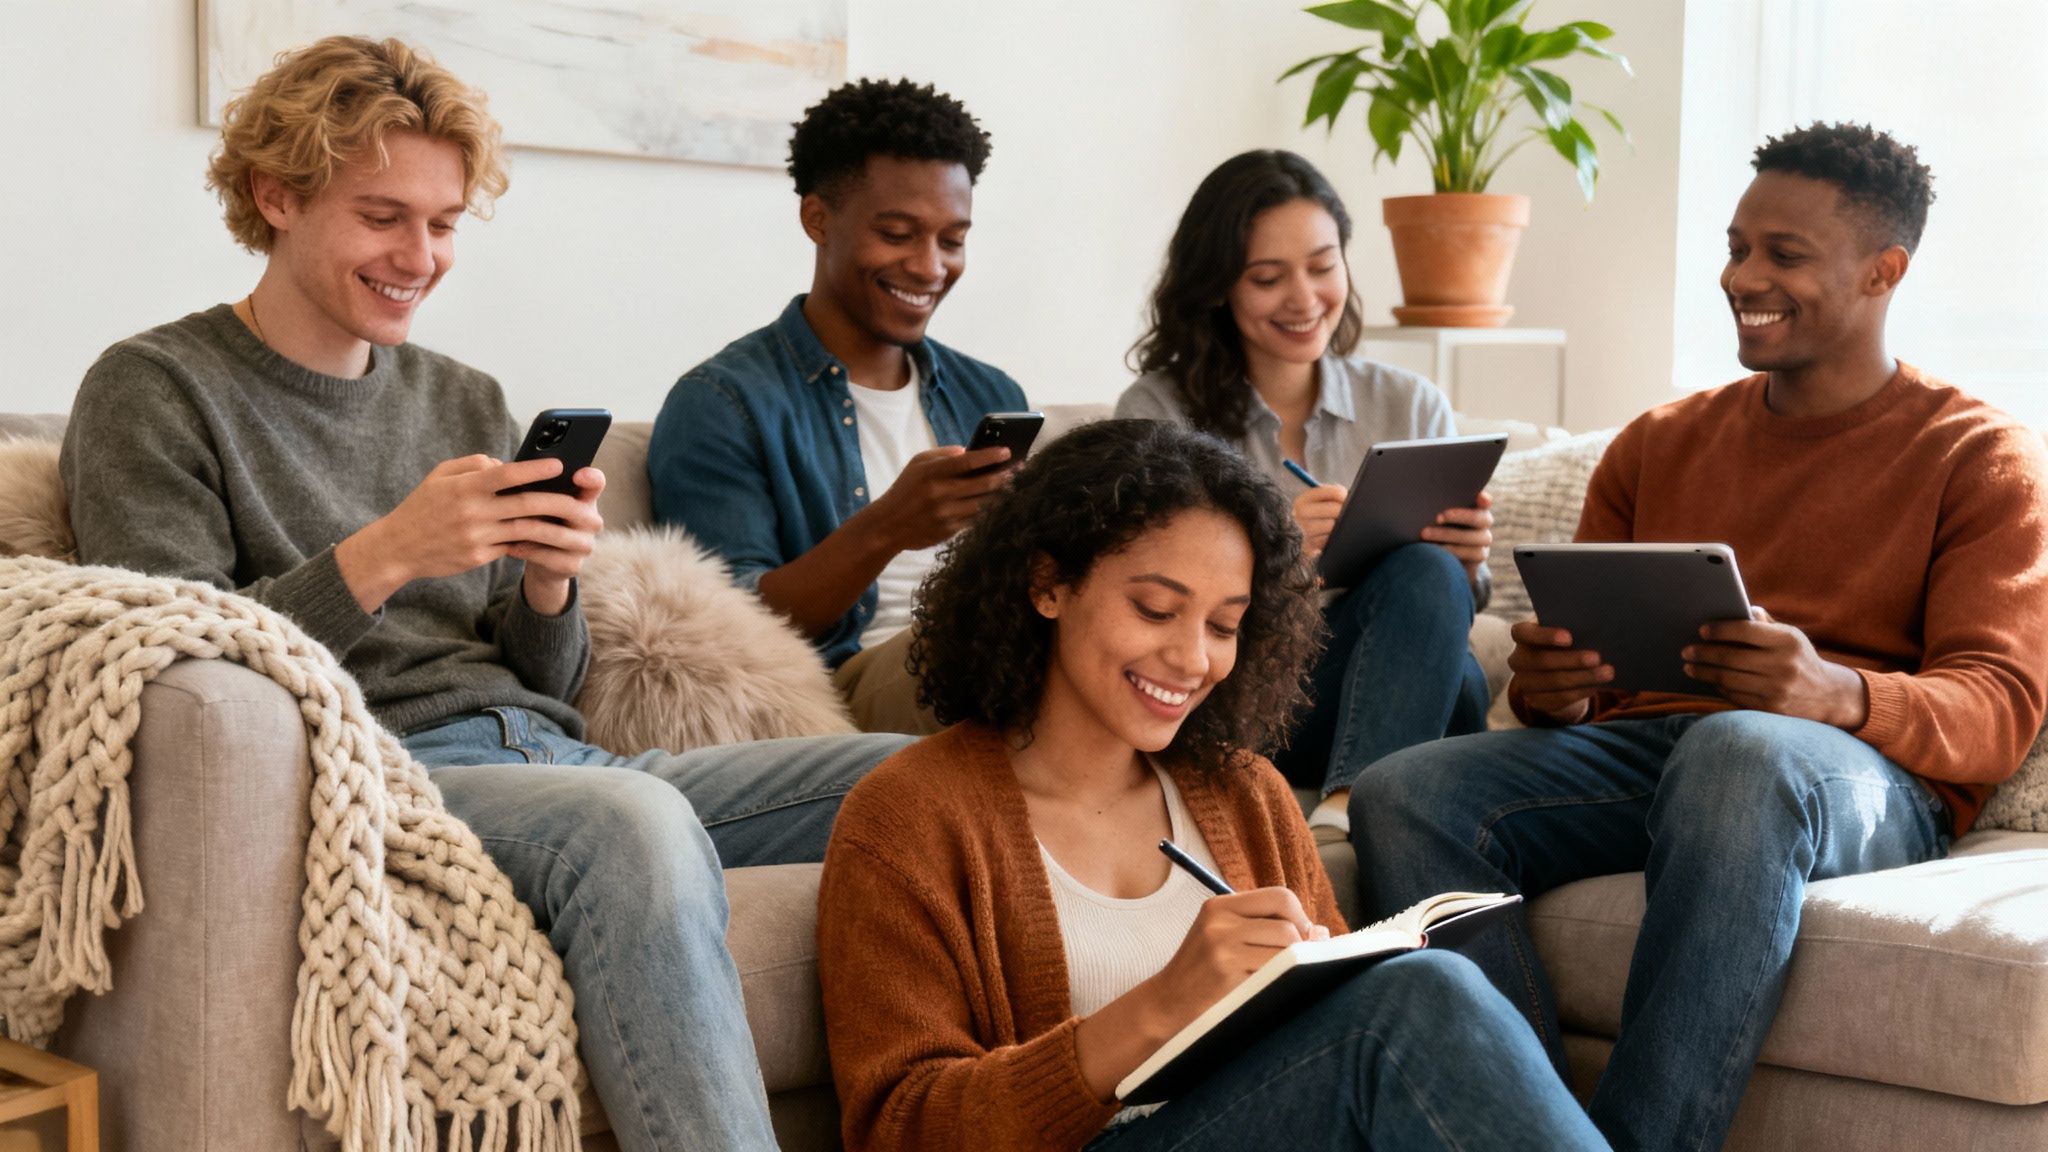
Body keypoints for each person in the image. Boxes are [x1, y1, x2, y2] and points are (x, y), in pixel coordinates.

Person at [57, 37, 908, 1152]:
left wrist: (552, 584)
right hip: (375, 783)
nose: (421, 254)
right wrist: (385, 553)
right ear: (276, 196)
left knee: (919, 775)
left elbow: (543, 680)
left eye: (445, 222)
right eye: (383, 217)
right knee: (635, 822)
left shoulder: (464, 395)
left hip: (558, 761)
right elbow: (173, 679)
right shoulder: (156, 388)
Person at [1350, 122, 2048, 1151]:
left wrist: (1835, 694)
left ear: (1880, 272)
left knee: (1740, 748)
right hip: (1654, 753)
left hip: (1856, 781)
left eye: (1781, 254)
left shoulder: (1978, 457)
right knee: (1403, 793)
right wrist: (1557, 685)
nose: (1739, 276)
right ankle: (1529, 1130)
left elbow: (1995, 709)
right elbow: (1562, 697)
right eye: (1733, 246)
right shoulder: (1656, 444)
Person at [814, 419, 1609, 1152]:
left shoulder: (1245, 794)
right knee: (1417, 1000)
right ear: (1047, 585)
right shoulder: (906, 815)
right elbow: (898, 1127)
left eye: (1225, 625)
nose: (1194, 659)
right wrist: (1161, 1006)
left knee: (1418, 986)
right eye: (1157, 610)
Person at [1116, 149, 1493, 843]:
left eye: (1323, 267)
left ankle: (1350, 805)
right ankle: (1368, 808)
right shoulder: (1157, 412)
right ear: (1218, 285)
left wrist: (1466, 562)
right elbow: (1139, 596)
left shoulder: (1409, 404)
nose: (1303, 298)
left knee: (1439, 595)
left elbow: (1441, 612)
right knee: (1464, 686)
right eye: (1267, 277)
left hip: (1380, 684)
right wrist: (1270, 548)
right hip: (1234, 693)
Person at [650, 78, 1028, 736]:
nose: (930, 266)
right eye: (898, 233)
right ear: (818, 218)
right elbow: (725, 636)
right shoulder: (723, 404)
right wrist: (887, 529)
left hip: (998, 660)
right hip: (839, 690)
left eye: (952, 239)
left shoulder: (989, 394)